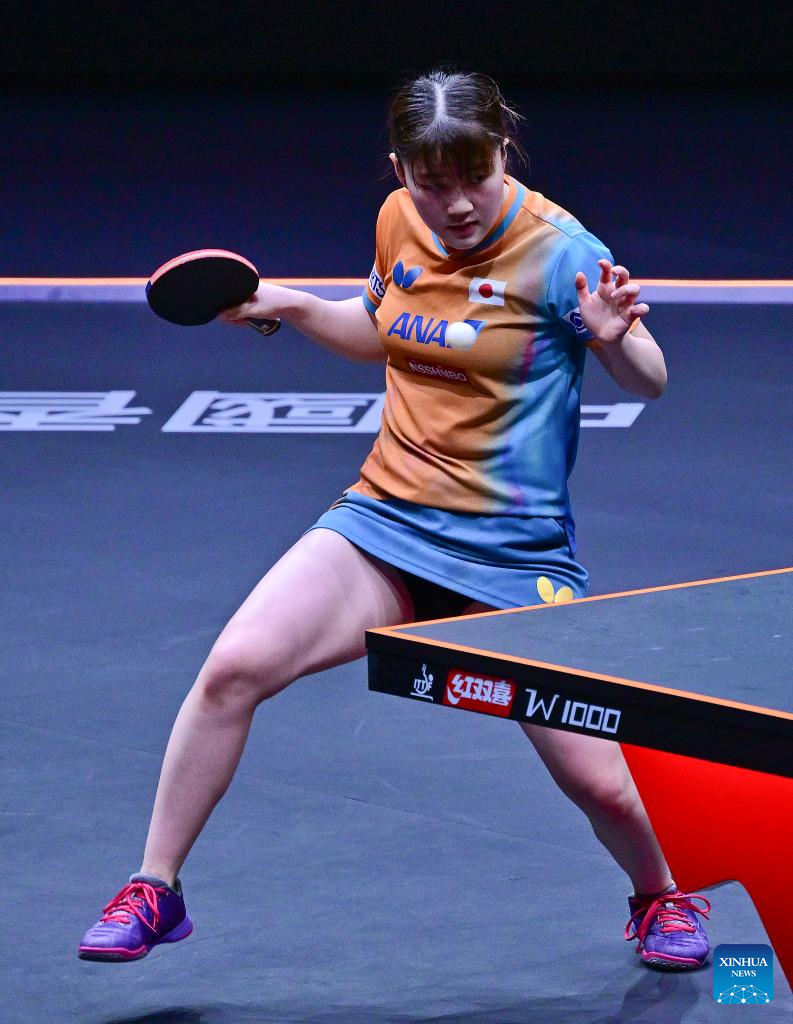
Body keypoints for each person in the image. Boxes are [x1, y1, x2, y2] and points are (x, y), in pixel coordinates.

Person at [78, 69, 711, 971]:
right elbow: (384, 331)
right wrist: (293, 306)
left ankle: (659, 896)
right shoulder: (396, 221)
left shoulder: (560, 251)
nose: (454, 204)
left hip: (512, 555)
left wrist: (615, 341)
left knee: (600, 784)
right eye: (429, 180)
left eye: (473, 176)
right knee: (233, 668)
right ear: (400, 168)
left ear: (503, 151)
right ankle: (155, 887)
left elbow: (650, 381)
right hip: (386, 520)